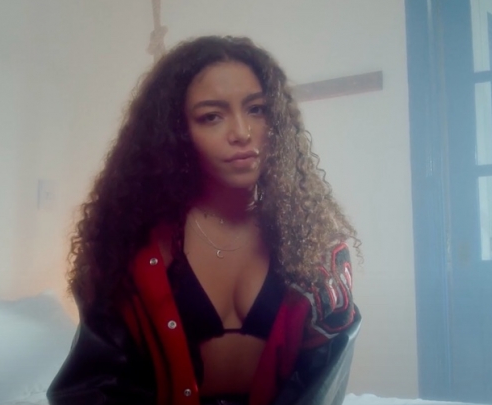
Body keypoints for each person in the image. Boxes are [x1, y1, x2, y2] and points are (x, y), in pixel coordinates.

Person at [47, 35, 362, 405]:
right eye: (212, 116)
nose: (242, 133)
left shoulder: (315, 249)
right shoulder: (129, 247)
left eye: (257, 109)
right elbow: (92, 385)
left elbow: (322, 384)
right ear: (177, 133)